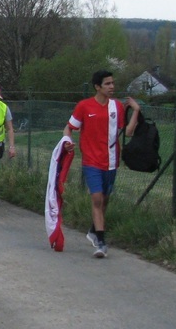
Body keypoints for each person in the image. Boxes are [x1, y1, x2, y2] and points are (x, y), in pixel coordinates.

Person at [62, 70, 140, 258]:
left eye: (113, 83)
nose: (112, 87)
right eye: (107, 84)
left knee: (104, 200)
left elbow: (127, 132)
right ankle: (101, 243)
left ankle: (93, 230)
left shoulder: (117, 107)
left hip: (111, 161)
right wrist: (67, 141)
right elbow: (69, 127)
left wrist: (136, 111)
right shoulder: (84, 106)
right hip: (91, 161)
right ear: (97, 86)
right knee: (96, 198)